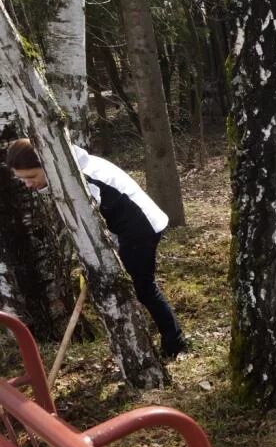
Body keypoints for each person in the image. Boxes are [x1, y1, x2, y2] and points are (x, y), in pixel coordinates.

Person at [6, 139, 189, 359]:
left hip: (141, 227)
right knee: (138, 287)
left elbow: (94, 226)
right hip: (128, 226)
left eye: (31, 177)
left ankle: (175, 343)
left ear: (46, 164)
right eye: (22, 179)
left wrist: (96, 261)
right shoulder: (69, 167)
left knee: (143, 287)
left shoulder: (81, 178)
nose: (27, 185)